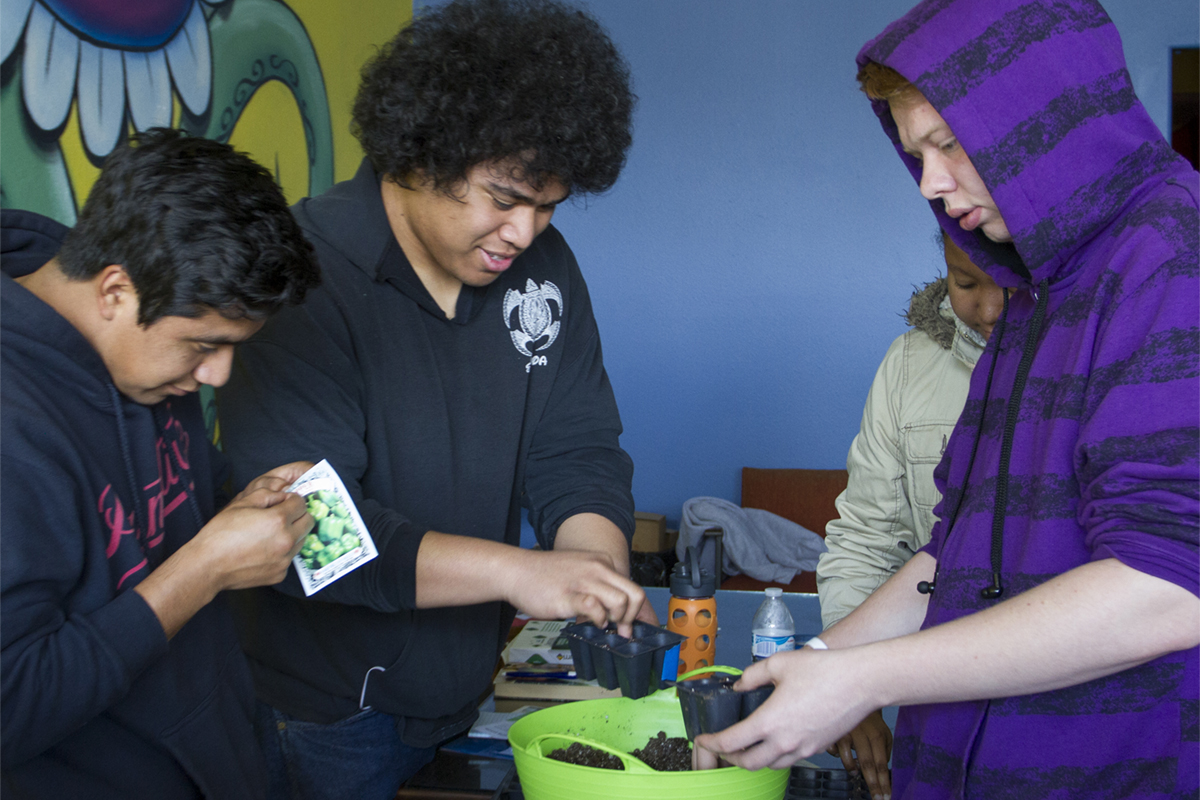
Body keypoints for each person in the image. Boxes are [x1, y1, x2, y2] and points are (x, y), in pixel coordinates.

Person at [695, 1, 1199, 796]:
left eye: (950, 144)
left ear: (1042, 113)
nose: (929, 183)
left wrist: (870, 681)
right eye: (915, 153)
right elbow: (951, 551)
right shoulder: (1032, 284)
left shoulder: (1171, 258)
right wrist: (825, 662)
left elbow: (1169, 586)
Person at [215, 1, 650, 797]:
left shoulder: (544, 269)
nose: (524, 233)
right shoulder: (301, 275)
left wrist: (590, 565)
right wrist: (521, 574)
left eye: (548, 205)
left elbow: (576, 447)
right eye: (504, 198)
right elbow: (314, 533)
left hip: (473, 688)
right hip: (328, 716)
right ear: (418, 155)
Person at [0, 128, 322, 799]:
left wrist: (239, 506)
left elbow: (168, 506)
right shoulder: (15, 427)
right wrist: (204, 570)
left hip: (221, 748)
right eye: (203, 344)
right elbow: (14, 704)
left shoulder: (146, 360)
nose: (216, 374)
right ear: (115, 290)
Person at [815, 232, 1004, 796]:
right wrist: (844, 678)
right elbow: (871, 541)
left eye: (1007, 283)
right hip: (941, 707)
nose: (988, 308)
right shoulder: (907, 367)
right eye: (965, 282)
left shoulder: (1101, 361)